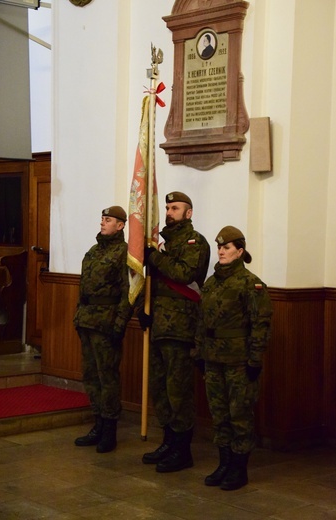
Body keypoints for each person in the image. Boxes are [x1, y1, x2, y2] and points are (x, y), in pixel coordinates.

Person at [194, 226, 272, 490]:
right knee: (219, 414)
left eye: (227, 248)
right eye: (220, 248)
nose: (221, 252)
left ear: (240, 251)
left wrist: (255, 359)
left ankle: (239, 468)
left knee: (239, 414)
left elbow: (260, 324)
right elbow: (202, 321)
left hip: (238, 360)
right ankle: (224, 463)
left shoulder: (251, 283)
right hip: (213, 358)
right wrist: (199, 353)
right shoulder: (211, 283)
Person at [138, 191, 210, 473]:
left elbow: (183, 275)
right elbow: (152, 286)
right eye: (167, 207)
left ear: (188, 213)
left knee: (178, 390)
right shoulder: (161, 243)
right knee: (160, 389)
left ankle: (183, 449)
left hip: (180, 327)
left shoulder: (195, 242)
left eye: (175, 207)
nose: (169, 212)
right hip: (159, 325)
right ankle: (168, 441)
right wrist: (143, 313)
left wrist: (155, 258)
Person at [73, 205, 132, 453]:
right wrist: (78, 316)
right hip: (86, 321)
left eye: (108, 220)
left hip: (106, 324)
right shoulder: (93, 251)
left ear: (120, 225)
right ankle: (97, 423)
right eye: (102, 219)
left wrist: (119, 324)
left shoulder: (124, 253)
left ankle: (109, 430)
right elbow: (83, 287)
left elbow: (128, 291)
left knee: (107, 377)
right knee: (91, 375)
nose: (102, 223)